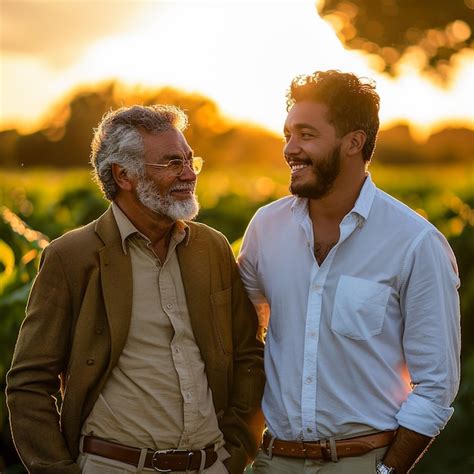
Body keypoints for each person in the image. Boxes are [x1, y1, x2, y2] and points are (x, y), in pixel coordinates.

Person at [7, 104, 265, 474]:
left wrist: (235, 454)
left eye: (192, 161)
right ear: (123, 174)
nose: (189, 174)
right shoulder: (71, 257)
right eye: (172, 163)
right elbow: (29, 383)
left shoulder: (212, 248)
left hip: (211, 467)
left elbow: (248, 355)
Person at [238, 70, 461, 474]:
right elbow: (239, 340)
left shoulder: (415, 243)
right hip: (272, 461)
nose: (290, 149)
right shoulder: (265, 228)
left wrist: (386, 471)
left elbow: (436, 386)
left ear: (353, 142)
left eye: (306, 135)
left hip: (363, 462)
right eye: (287, 134)